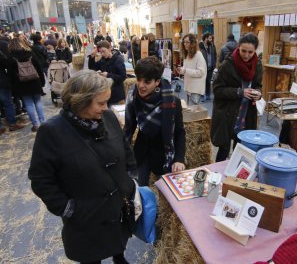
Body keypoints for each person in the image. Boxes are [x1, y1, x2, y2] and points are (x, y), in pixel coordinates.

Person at [28, 70, 137, 264]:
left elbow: (125, 149)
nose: (106, 108)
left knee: (118, 239)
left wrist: (129, 178)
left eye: (107, 102)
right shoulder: (52, 132)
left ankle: (119, 257)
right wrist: (67, 208)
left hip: (116, 207)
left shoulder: (108, 118)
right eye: (101, 103)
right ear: (81, 101)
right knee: (91, 256)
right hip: (86, 216)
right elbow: (41, 179)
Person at [124, 56, 186, 186]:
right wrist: (122, 153)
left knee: (167, 192)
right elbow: (129, 128)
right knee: (138, 189)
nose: (141, 85)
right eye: (139, 80)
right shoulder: (133, 95)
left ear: (157, 82)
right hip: (142, 150)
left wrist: (179, 159)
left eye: (147, 82)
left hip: (164, 151)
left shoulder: (172, 100)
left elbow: (179, 131)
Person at [211, 33, 263, 162]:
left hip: (246, 115)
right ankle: (218, 177)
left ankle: (233, 178)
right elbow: (217, 90)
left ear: (255, 51)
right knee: (223, 150)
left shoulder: (257, 65)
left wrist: (258, 94)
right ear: (238, 47)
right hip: (227, 114)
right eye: (243, 51)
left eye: (250, 52)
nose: (246, 55)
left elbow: (258, 86)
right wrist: (239, 92)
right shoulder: (227, 65)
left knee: (240, 150)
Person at [8, 37, 46, 132]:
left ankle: (35, 124)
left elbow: (11, 75)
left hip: (22, 84)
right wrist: (42, 80)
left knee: (28, 103)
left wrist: (14, 88)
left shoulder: (11, 57)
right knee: (38, 102)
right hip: (35, 81)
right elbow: (39, 68)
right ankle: (43, 122)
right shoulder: (30, 53)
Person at [88, 40, 126, 105]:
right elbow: (93, 68)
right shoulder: (103, 59)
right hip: (105, 93)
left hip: (116, 94)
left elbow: (122, 77)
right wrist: (92, 56)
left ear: (110, 48)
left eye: (103, 51)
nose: (102, 54)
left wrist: (108, 75)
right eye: (100, 52)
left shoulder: (118, 60)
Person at [0, 35, 24, 133]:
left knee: (7, 102)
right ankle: (12, 124)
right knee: (8, 102)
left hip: (2, 79)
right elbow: (7, 62)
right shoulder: (2, 44)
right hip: (1, 79)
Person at [177, 33, 207, 105]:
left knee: (193, 113)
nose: (185, 44)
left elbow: (201, 72)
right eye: (184, 42)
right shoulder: (187, 55)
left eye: (187, 42)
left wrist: (185, 70)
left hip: (195, 89)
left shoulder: (198, 55)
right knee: (190, 111)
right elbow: (187, 70)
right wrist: (181, 70)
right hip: (189, 88)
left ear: (193, 43)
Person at [199, 32, 217, 101]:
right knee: (202, 81)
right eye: (209, 38)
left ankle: (208, 95)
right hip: (203, 68)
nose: (211, 40)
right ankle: (202, 95)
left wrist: (214, 64)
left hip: (210, 67)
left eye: (211, 38)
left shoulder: (212, 46)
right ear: (205, 39)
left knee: (208, 81)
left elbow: (215, 55)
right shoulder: (200, 46)